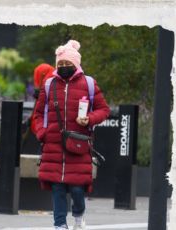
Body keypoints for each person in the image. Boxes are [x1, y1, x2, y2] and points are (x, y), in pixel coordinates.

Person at [33, 40, 110, 230]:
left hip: (78, 145)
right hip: (53, 145)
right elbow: (37, 113)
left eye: (68, 64)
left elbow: (104, 110)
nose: (64, 67)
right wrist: (42, 133)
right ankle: (60, 225)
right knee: (57, 188)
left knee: (77, 189)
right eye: (60, 64)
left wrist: (90, 119)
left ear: (76, 64)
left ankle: (78, 215)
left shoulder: (89, 84)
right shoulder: (49, 85)